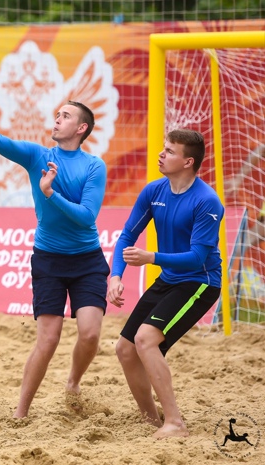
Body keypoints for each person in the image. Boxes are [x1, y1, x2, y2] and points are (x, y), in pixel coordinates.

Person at [0, 73, 109, 419]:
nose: (57, 119)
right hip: (48, 259)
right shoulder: (36, 155)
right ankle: (21, 413)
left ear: (81, 128)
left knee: (90, 335)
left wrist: (50, 194)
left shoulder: (94, 166)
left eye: (65, 116)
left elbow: (86, 218)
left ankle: (73, 382)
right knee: (48, 339)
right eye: (57, 115)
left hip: (87, 259)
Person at [107, 129, 223, 439]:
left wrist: (152, 257)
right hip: (169, 278)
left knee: (145, 339)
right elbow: (127, 237)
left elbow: (198, 258)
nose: (161, 154)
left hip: (199, 282)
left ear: (188, 162)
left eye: (170, 151)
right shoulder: (154, 191)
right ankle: (151, 420)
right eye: (164, 148)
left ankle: (175, 423)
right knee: (125, 349)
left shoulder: (207, 201)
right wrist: (116, 276)